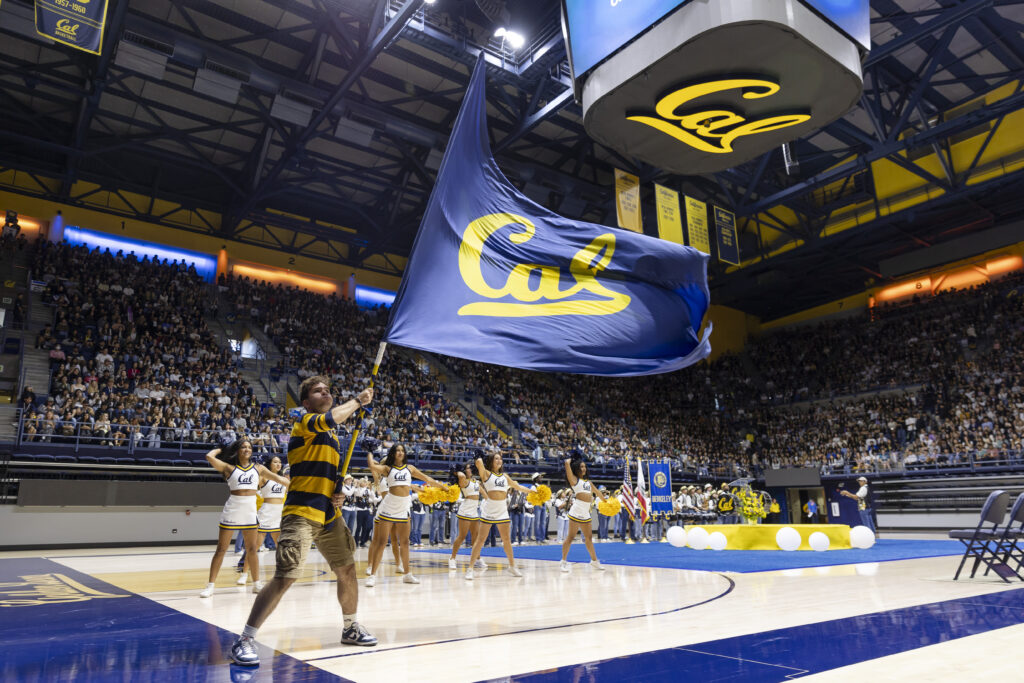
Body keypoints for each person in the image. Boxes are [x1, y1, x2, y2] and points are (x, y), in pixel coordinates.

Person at [229, 376, 374, 667]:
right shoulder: (306, 423)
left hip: (328, 514)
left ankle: (350, 627)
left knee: (347, 571)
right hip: (301, 512)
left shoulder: (332, 438)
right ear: (306, 402)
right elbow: (332, 419)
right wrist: (358, 401)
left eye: (328, 389)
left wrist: (338, 492)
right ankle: (244, 639)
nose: (326, 392)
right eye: (319, 391)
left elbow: (327, 474)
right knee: (287, 575)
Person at [200, 439, 289, 598]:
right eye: (243, 447)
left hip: (250, 512)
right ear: (238, 450)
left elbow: (280, 480)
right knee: (221, 549)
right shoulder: (229, 468)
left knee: (252, 549)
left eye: (249, 447)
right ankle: (210, 586)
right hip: (232, 510)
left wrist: (297, 485)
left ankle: (256, 584)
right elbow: (209, 456)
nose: (247, 449)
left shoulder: (259, 468)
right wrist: (220, 449)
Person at [365, 444, 445, 587]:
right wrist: (370, 451)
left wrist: (444, 487)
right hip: (389, 507)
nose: (400, 453)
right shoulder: (387, 469)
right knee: (382, 542)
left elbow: (427, 479)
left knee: (405, 542)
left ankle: (407, 574)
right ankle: (373, 575)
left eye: (402, 451)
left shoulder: (410, 468)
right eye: (397, 450)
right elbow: (372, 465)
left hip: (403, 508)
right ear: (393, 453)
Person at [463, 452, 532, 580]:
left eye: (500, 458)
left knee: (506, 540)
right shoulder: (487, 474)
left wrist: (532, 491)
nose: (499, 460)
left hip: (502, 509)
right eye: (496, 459)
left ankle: (512, 566)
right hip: (489, 509)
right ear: (491, 461)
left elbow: (518, 486)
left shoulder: (505, 477)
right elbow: (478, 463)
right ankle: (470, 568)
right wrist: (478, 456)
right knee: (480, 540)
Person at [559, 458, 606, 572]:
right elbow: (567, 467)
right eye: (581, 467)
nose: (583, 468)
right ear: (576, 469)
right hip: (576, 511)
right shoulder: (575, 480)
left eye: (585, 466)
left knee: (589, 538)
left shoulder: (588, 483)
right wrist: (567, 462)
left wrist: (606, 501)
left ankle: (594, 561)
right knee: (570, 537)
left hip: (586, 512)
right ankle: (563, 562)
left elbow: (598, 492)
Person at [448, 461, 487, 571]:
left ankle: (477, 559)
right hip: (465, 511)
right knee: (462, 536)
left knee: (476, 538)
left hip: (474, 511)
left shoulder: (476, 482)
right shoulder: (463, 480)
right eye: (468, 468)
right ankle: (452, 559)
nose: (469, 470)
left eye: (470, 468)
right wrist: (460, 469)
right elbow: (459, 474)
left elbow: (484, 494)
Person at [256, 455, 287, 552]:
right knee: (256, 545)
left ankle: (283, 567)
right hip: (267, 511)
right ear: (269, 464)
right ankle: (244, 566)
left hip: (279, 512)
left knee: (281, 545)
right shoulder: (263, 477)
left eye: (280, 462)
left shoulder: (283, 478)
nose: (278, 464)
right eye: (275, 462)